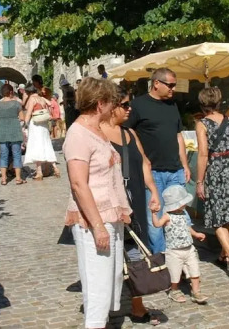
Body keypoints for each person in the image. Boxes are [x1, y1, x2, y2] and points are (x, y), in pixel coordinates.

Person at [63, 77, 132, 329]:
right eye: (112, 102)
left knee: (110, 280)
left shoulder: (98, 130)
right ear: (100, 103)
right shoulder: (78, 134)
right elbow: (79, 184)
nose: (115, 107)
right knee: (97, 286)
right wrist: (98, 226)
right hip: (94, 220)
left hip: (110, 216)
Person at [101, 86, 162, 326]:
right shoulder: (97, 133)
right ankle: (104, 310)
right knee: (109, 258)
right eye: (125, 105)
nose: (130, 109)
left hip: (134, 201)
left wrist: (153, 191)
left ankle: (137, 306)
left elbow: (145, 163)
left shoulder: (130, 133)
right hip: (110, 204)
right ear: (111, 105)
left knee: (135, 255)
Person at [125, 67, 191, 254]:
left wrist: (185, 164)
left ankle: (180, 257)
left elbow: (178, 136)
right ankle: (161, 259)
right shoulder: (138, 105)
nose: (173, 89)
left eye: (174, 85)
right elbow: (128, 132)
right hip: (152, 173)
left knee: (180, 217)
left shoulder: (172, 105)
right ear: (156, 83)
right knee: (154, 219)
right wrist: (142, 157)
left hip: (175, 170)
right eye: (170, 85)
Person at [196, 86, 229, 277]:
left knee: (217, 216)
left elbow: (203, 154)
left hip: (215, 168)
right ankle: (224, 254)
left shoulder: (202, 124)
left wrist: (199, 181)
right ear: (219, 102)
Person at [152, 185, 209, 304]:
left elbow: (187, 227)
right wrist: (154, 214)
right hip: (174, 251)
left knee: (194, 270)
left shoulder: (183, 214)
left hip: (189, 248)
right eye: (183, 202)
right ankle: (174, 290)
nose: (185, 204)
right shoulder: (167, 216)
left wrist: (196, 234)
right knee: (175, 273)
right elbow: (157, 225)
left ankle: (196, 291)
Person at [24, 84, 59, 180]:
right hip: (44, 124)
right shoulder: (41, 98)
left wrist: (25, 125)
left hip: (36, 124)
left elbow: (28, 112)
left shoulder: (32, 99)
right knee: (46, 145)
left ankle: (39, 172)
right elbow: (50, 104)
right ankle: (55, 167)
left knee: (36, 146)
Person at [0, 83, 26, 185]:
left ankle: (4, 179)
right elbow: (22, 118)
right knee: (17, 155)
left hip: (2, 131)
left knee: (3, 155)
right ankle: (18, 178)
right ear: (11, 92)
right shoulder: (16, 104)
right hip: (14, 131)